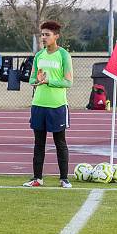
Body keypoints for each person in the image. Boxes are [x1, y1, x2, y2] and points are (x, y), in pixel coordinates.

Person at [23, 20, 73, 189]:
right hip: (39, 104)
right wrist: (36, 81)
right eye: (42, 34)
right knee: (39, 144)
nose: (43, 38)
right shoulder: (39, 56)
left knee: (60, 142)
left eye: (47, 35)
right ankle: (37, 178)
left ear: (56, 36)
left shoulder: (64, 55)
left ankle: (64, 178)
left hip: (57, 105)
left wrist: (49, 81)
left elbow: (68, 82)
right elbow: (31, 79)